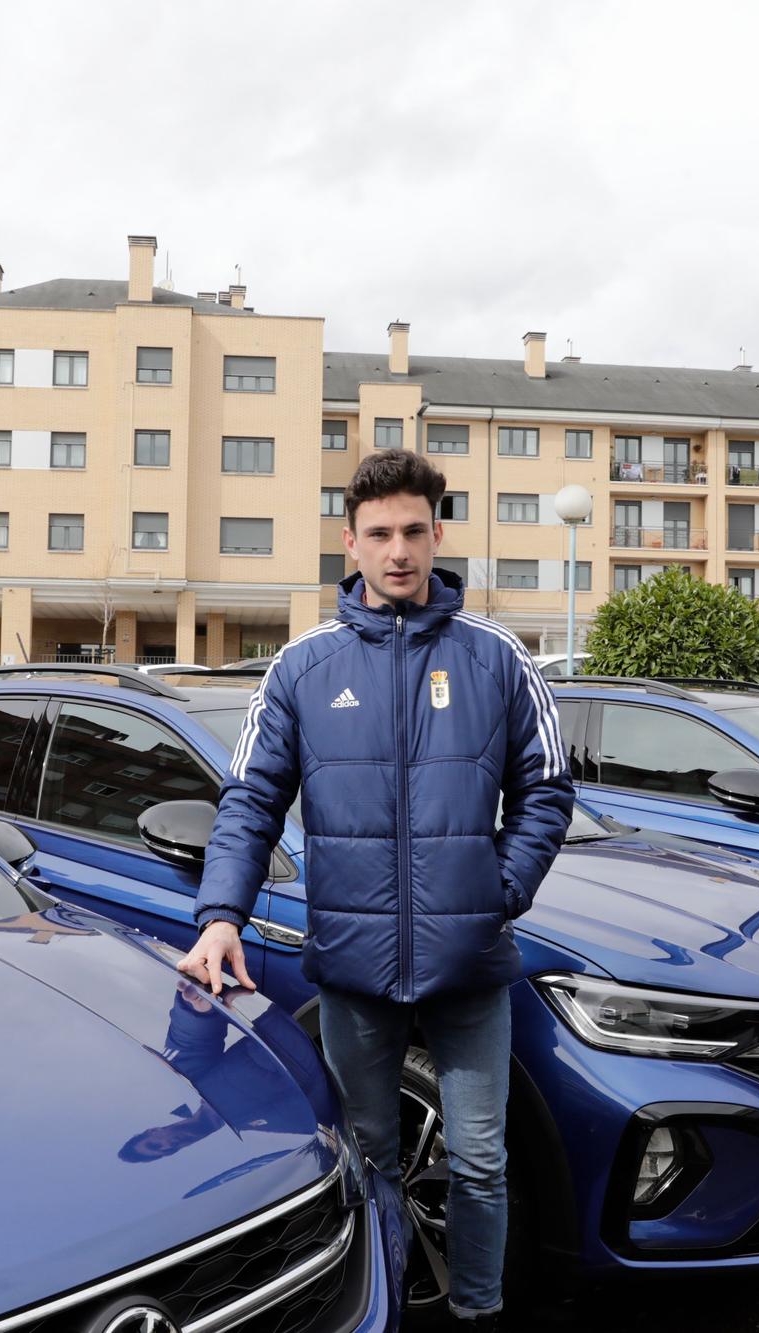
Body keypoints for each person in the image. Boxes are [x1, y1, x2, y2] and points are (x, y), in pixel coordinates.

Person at [179, 449, 573, 1328]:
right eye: (379, 533)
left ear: (438, 533)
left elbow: (547, 787)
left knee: (480, 1161)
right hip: (354, 971)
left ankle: (477, 1308)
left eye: (414, 530)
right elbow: (249, 802)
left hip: (471, 966)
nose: (398, 550)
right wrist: (219, 916)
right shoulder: (302, 668)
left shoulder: (495, 656)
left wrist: (498, 888)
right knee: (369, 1157)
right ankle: (386, 1308)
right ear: (348, 543)